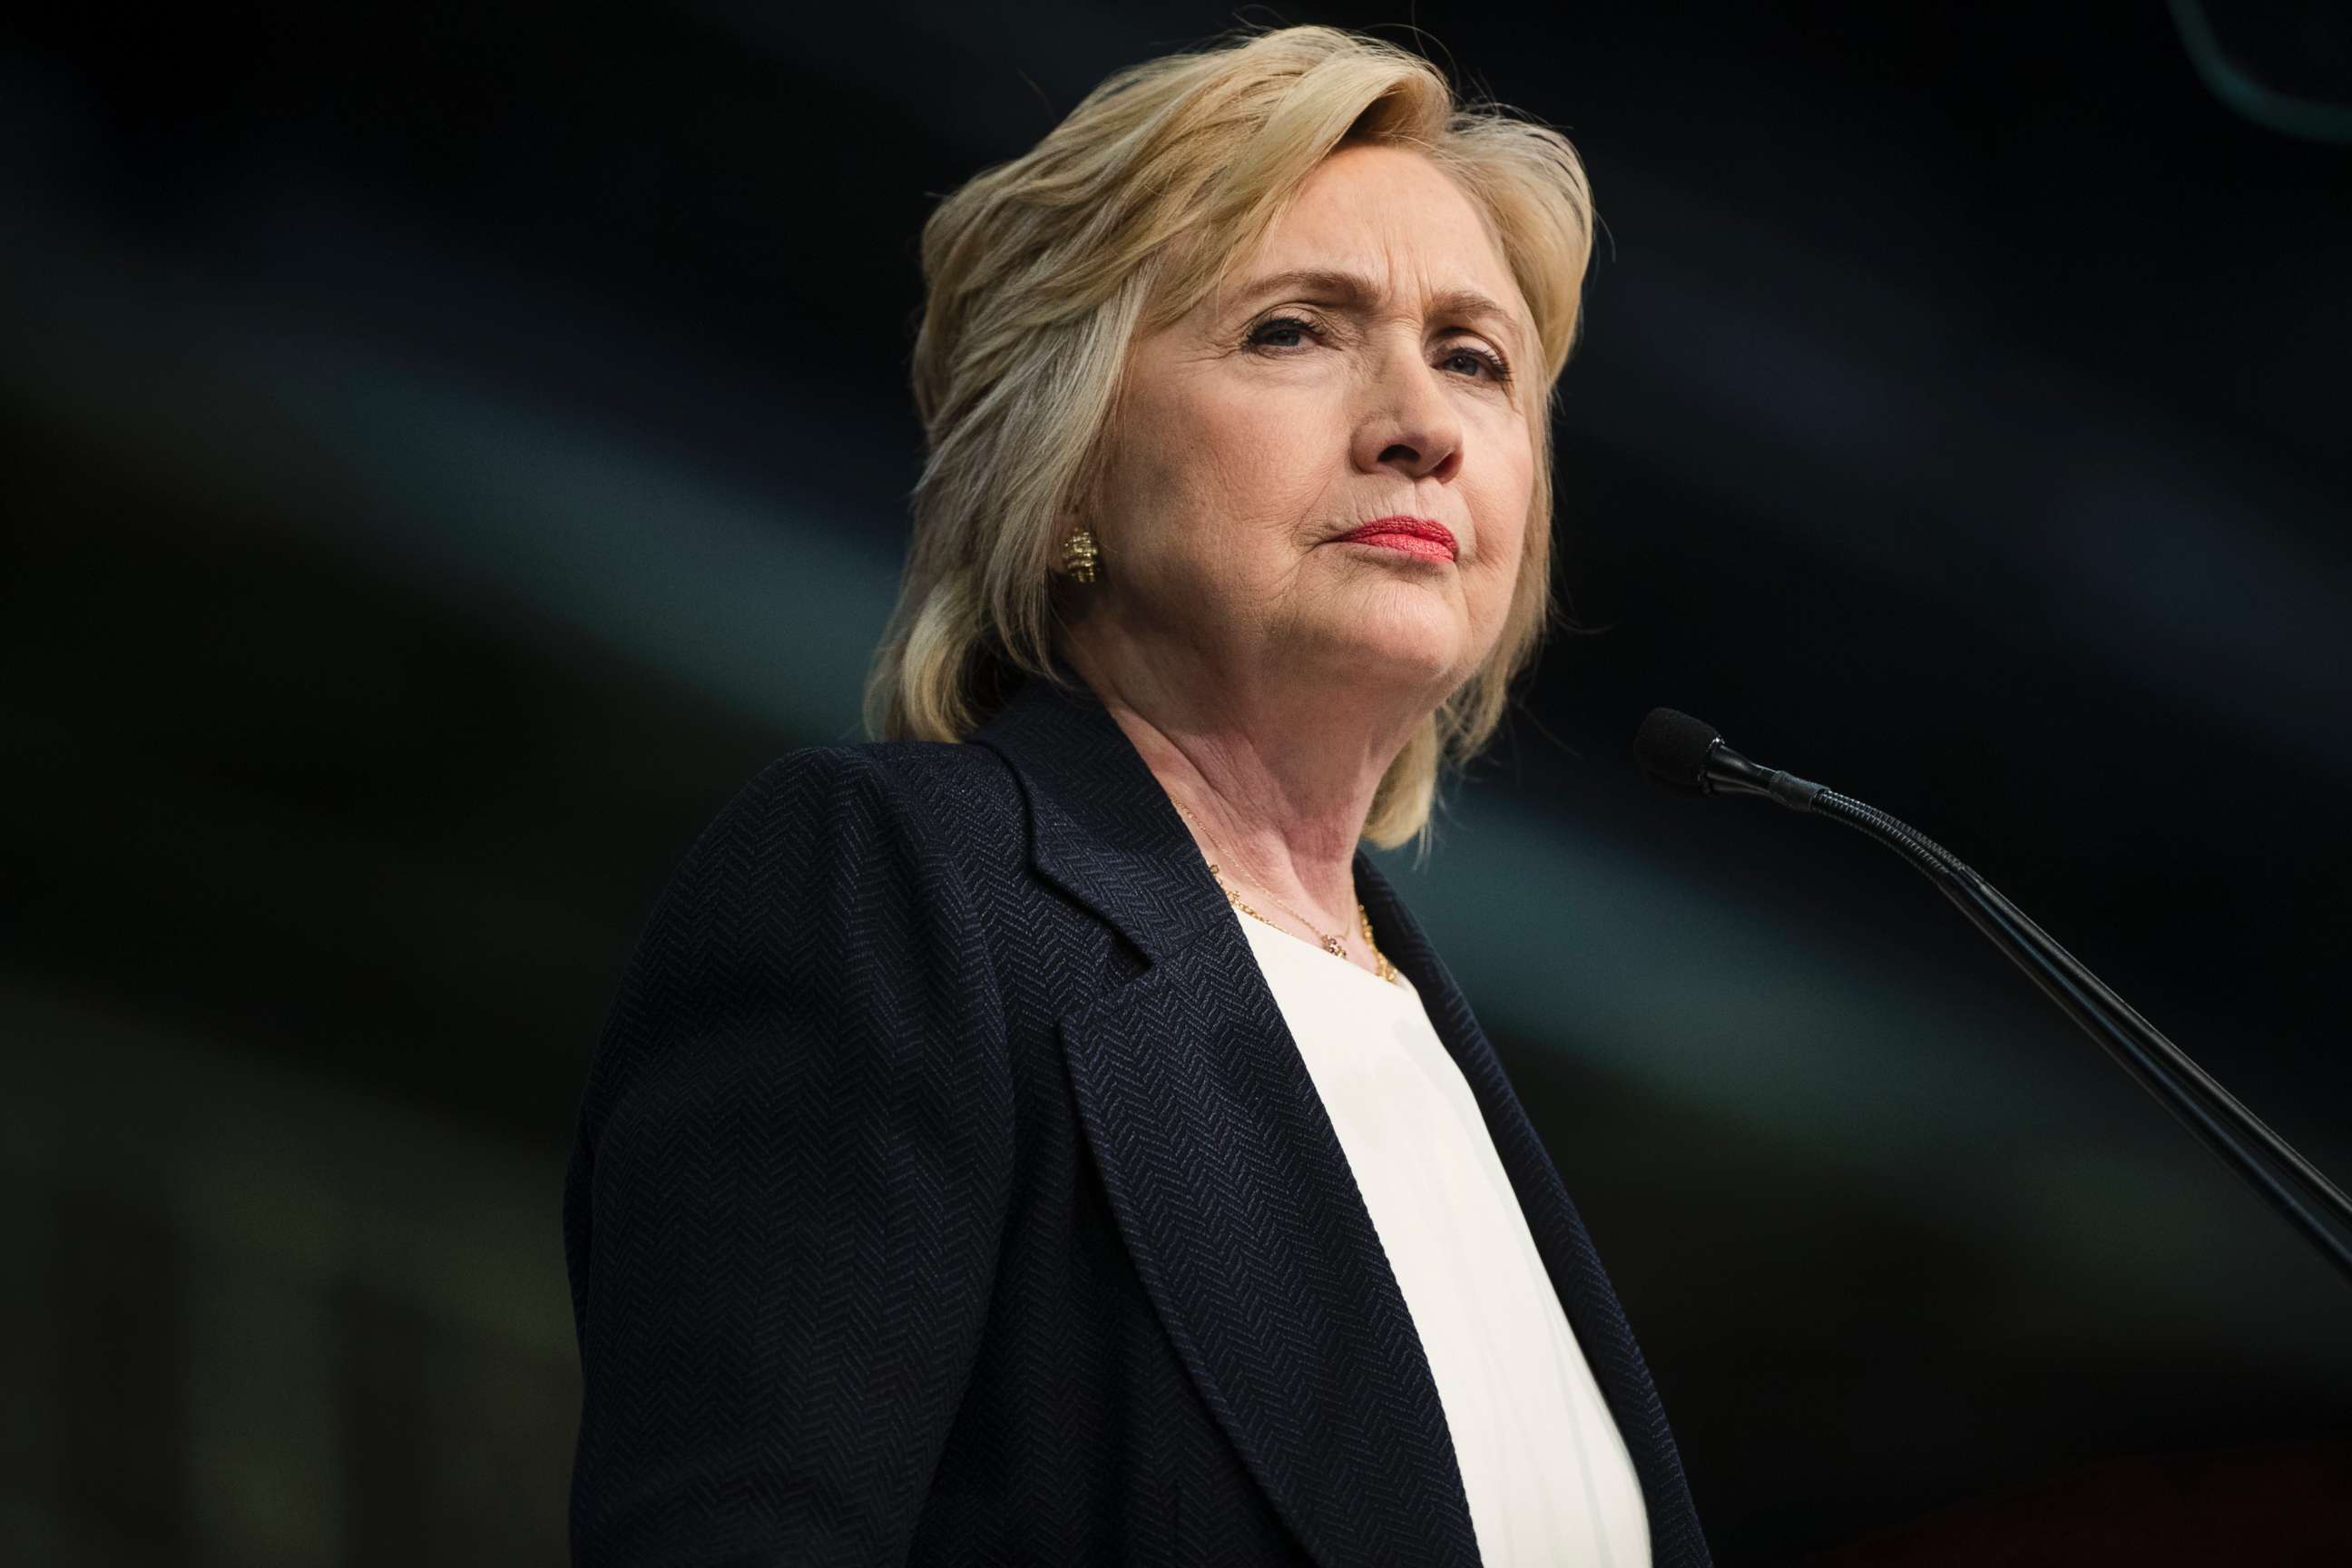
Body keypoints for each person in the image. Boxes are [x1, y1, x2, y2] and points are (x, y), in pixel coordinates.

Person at [563, 23, 1711, 1566]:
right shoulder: (895, 899)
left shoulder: (1440, 1061)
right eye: (1297, 330)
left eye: (1475, 359)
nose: (1423, 426)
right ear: (1073, 459)